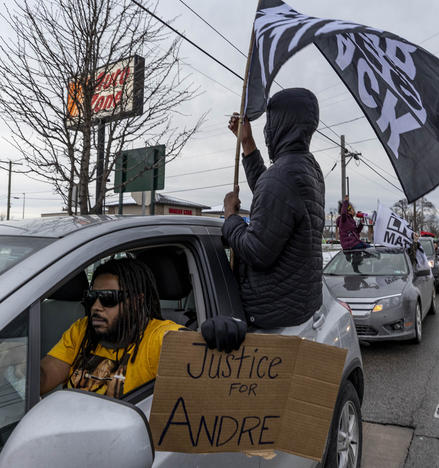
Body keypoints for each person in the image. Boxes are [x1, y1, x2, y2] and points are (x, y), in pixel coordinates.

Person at [39, 258, 245, 398]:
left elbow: (199, 360)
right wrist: (17, 364)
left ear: (137, 301)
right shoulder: (82, 330)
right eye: (91, 297)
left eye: (108, 298)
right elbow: (45, 377)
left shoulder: (157, 337)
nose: (96, 307)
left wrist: (220, 335)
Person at [221, 88, 325, 331]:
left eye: (270, 121)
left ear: (282, 123)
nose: (267, 129)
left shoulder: (282, 176)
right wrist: (247, 143)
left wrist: (230, 218)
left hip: (271, 319)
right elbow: (274, 205)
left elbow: (256, 251)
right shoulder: (307, 167)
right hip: (294, 309)